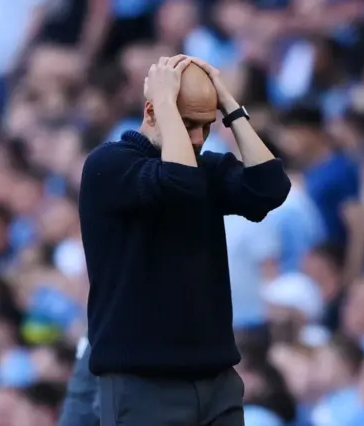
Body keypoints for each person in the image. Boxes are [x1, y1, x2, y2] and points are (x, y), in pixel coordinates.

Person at [78, 54, 291, 425]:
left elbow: (270, 187)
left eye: (204, 126)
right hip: (143, 385)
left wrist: (229, 106)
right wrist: (164, 101)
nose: (197, 138)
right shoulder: (108, 166)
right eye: (188, 123)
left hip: (217, 379)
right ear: (151, 112)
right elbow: (177, 185)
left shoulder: (203, 168)